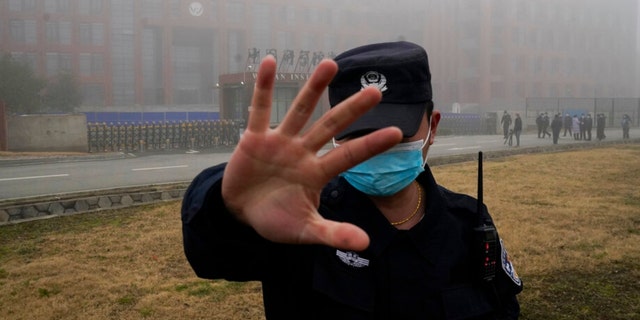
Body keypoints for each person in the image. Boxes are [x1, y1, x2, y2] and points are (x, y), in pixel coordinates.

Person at [181, 41, 523, 319]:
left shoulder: (467, 223)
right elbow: (211, 255)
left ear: (432, 126)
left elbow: (504, 308)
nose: (373, 148)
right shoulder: (301, 222)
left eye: (395, 133)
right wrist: (230, 206)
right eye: (358, 133)